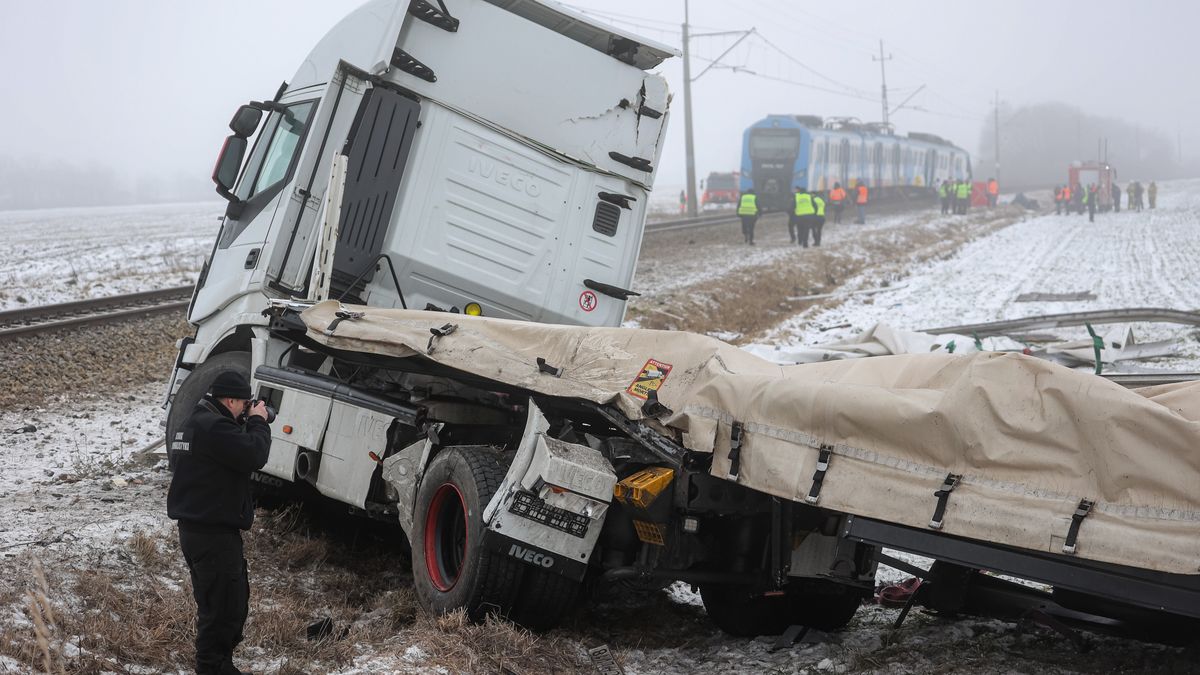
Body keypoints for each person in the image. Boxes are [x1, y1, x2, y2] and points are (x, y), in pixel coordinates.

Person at [168, 371, 272, 675]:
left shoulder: (195, 422)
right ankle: (213, 667)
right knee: (220, 610)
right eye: (245, 403)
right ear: (230, 399)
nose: (246, 408)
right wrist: (258, 422)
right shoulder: (214, 427)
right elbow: (254, 454)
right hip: (211, 534)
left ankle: (220, 663)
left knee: (230, 604)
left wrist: (247, 422)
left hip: (200, 531)